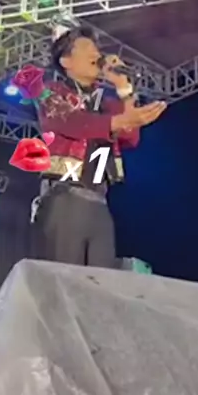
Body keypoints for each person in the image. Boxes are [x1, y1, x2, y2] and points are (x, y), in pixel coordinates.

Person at [27, 25, 167, 268]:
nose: (96, 54)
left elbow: (131, 136)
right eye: (86, 48)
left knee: (100, 278)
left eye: (96, 49)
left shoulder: (106, 104)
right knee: (65, 277)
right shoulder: (52, 93)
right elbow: (73, 122)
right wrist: (120, 121)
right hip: (65, 196)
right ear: (66, 61)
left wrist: (123, 89)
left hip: (99, 201)